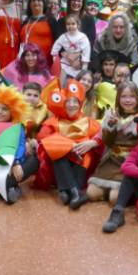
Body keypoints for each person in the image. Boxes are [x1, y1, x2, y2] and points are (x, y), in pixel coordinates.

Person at [34, 79, 103, 209]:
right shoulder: (53, 121)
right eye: (68, 102)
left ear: (80, 104)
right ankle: (76, 192)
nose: (72, 105)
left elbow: (101, 136)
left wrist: (92, 142)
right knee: (55, 149)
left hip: (82, 161)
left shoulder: (88, 121)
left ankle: (66, 191)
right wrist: (67, 146)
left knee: (86, 150)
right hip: (59, 165)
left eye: (75, 102)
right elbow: (41, 138)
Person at [87, 82, 138, 203]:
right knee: (91, 194)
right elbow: (107, 142)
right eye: (124, 96)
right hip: (111, 161)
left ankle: (127, 193)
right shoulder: (112, 115)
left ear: (137, 99)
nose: (127, 100)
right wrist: (111, 126)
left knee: (114, 198)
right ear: (118, 98)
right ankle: (109, 192)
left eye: (132, 96)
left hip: (129, 164)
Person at [21, 0, 58, 64]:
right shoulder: (25, 21)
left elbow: (57, 40)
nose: (36, 2)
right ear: (29, 4)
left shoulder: (50, 20)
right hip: (27, 61)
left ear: (43, 4)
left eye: (39, 0)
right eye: (33, 1)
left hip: (45, 61)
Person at [51, 13, 91, 81]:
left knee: (73, 84)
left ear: (78, 24)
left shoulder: (83, 38)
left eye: (73, 24)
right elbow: (55, 48)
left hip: (77, 66)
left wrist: (84, 69)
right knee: (61, 82)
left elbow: (86, 53)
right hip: (64, 65)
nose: (70, 26)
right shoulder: (63, 37)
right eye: (68, 24)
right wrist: (55, 60)